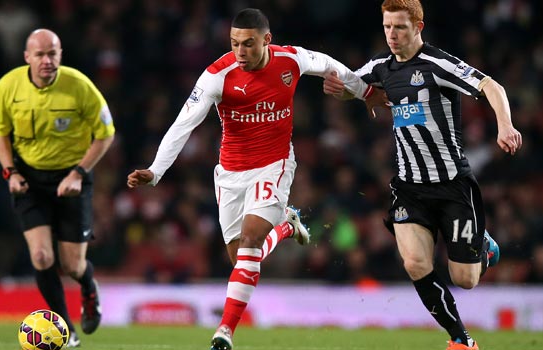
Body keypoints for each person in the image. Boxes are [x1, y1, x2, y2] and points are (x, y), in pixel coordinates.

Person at [126, 8, 378, 350]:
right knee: (242, 259)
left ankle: (224, 333)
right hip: (230, 174)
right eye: (234, 44)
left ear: (266, 40)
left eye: (247, 44)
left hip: (274, 165)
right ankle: (287, 226)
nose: (240, 52)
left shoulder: (291, 60)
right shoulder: (217, 75)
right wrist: (156, 171)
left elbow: (331, 65)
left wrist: (364, 92)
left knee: (249, 241)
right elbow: (183, 124)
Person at [323, 1, 522, 349]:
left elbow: (492, 86)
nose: (392, 35)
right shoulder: (382, 66)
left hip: (452, 185)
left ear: (419, 26)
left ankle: (482, 243)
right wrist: (344, 91)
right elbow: (356, 83)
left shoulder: (437, 63)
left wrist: (504, 126)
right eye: (387, 27)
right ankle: (461, 340)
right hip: (409, 187)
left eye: (400, 27)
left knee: (466, 279)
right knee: (415, 263)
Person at [0, 28, 115, 347]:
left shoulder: (80, 86)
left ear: (61, 54)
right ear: (27, 57)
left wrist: (78, 173)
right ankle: (66, 330)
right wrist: (10, 172)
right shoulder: (8, 86)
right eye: (40, 54)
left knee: (72, 265)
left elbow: (106, 133)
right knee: (43, 256)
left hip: (71, 177)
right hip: (29, 179)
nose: (47, 60)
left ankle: (88, 287)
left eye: (53, 53)